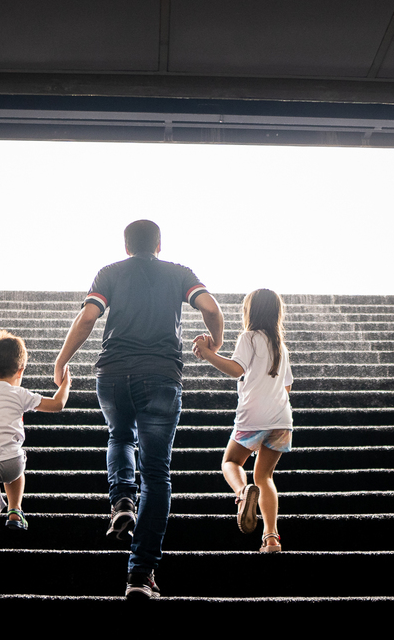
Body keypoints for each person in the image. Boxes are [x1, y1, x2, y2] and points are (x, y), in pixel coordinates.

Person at [54, 220, 224, 600]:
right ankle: (140, 575)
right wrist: (215, 341)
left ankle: (122, 500)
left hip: (113, 374)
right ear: (159, 244)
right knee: (157, 473)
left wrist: (61, 360)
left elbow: (86, 318)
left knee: (119, 436)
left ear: (126, 245)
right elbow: (211, 307)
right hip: (162, 376)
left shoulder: (110, 272)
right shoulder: (180, 274)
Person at [0, 329, 71, 596]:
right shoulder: (18, 394)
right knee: (17, 461)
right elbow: (57, 405)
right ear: (21, 370)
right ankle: (15, 509)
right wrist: (65, 383)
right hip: (10, 462)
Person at [192, 288, 293, 553]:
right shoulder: (280, 346)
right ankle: (271, 538)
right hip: (282, 421)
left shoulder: (248, 338)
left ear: (250, 312)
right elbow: (287, 388)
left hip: (253, 417)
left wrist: (207, 352)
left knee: (231, 461)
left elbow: (236, 368)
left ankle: (241, 491)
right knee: (266, 476)